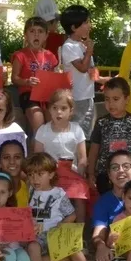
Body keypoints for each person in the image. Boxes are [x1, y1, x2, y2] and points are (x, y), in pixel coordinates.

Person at [33, 89, 88, 223]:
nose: (59, 112)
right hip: (50, 174)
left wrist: (80, 174)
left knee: (80, 194)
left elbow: (82, 157)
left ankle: (79, 229)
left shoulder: (76, 130)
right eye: (55, 108)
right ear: (49, 110)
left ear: (71, 111)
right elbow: (37, 157)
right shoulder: (43, 131)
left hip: (72, 174)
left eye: (63, 108)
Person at [88, 77, 131, 194]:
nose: (111, 103)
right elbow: (94, 150)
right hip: (105, 176)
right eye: (107, 99)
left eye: (116, 99)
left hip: (129, 175)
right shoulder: (101, 123)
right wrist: (91, 173)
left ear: (127, 99)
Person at [91, 151, 131, 261]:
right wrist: (101, 246)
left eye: (126, 166)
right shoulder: (103, 202)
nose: (121, 171)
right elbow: (98, 233)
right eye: (115, 167)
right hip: (119, 255)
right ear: (109, 175)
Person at [11, 16, 60, 136]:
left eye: (40, 31)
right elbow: (14, 78)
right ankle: (37, 147)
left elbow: (55, 76)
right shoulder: (20, 55)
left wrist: (63, 80)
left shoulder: (50, 56)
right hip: (29, 95)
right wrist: (27, 82)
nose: (36, 35)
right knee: (38, 123)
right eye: (32, 31)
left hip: (47, 95)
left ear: (46, 36)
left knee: (54, 122)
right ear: (25, 35)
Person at [59, 4, 100, 138]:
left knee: (87, 131)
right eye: (86, 22)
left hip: (88, 96)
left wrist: (103, 80)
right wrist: (89, 51)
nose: (89, 26)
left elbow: (89, 70)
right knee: (78, 133)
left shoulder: (81, 45)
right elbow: (82, 68)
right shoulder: (69, 46)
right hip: (77, 97)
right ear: (73, 27)